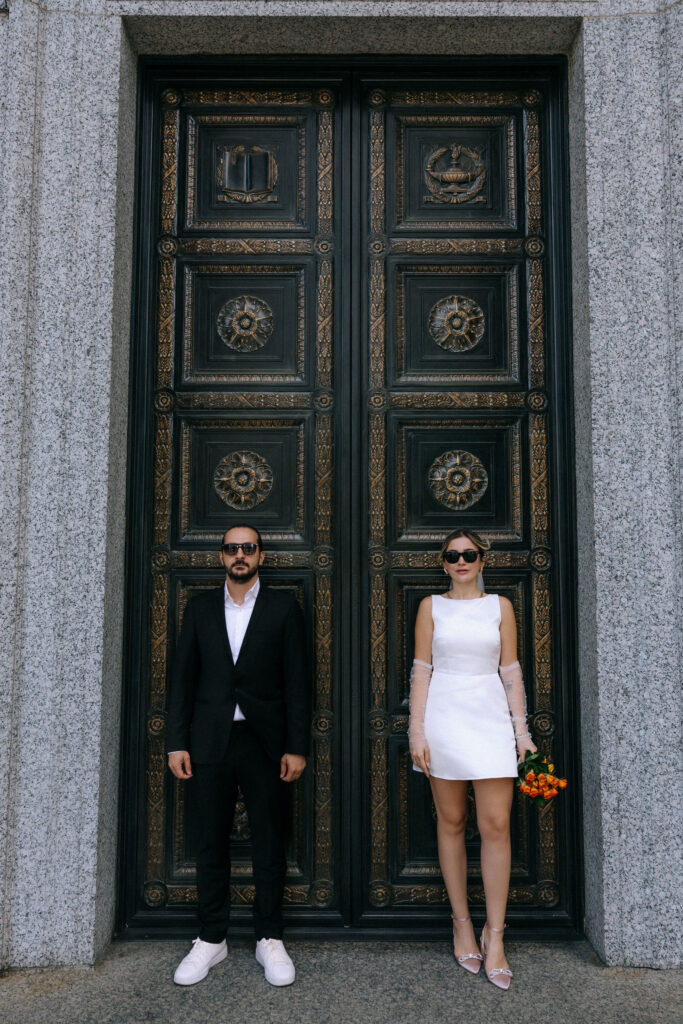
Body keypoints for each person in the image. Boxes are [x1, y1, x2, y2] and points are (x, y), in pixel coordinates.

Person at [166, 524, 311, 987]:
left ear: (261, 557)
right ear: (222, 557)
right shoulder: (200, 608)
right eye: (232, 549)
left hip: (265, 742)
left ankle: (270, 937)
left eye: (248, 548)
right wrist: (176, 740)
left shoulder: (285, 608)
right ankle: (212, 938)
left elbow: (298, 684)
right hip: (209, 741)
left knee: (270, 843)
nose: (240, 555)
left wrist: (296, 746)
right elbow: (182, 679)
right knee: (210, 842)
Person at [409, 528, 536, 991]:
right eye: (452, 555)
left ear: (483, 560)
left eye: (470, 554)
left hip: (489, 718)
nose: (461, 561)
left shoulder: (500, 606)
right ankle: (461, 921)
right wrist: (416, 731)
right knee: (452, 821)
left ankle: (495, 934)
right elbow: (422, 670)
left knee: (496, 824)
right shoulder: (431, 607)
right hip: (444, 717)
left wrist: (522, 733)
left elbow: (511, 670)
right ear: (443, 563)